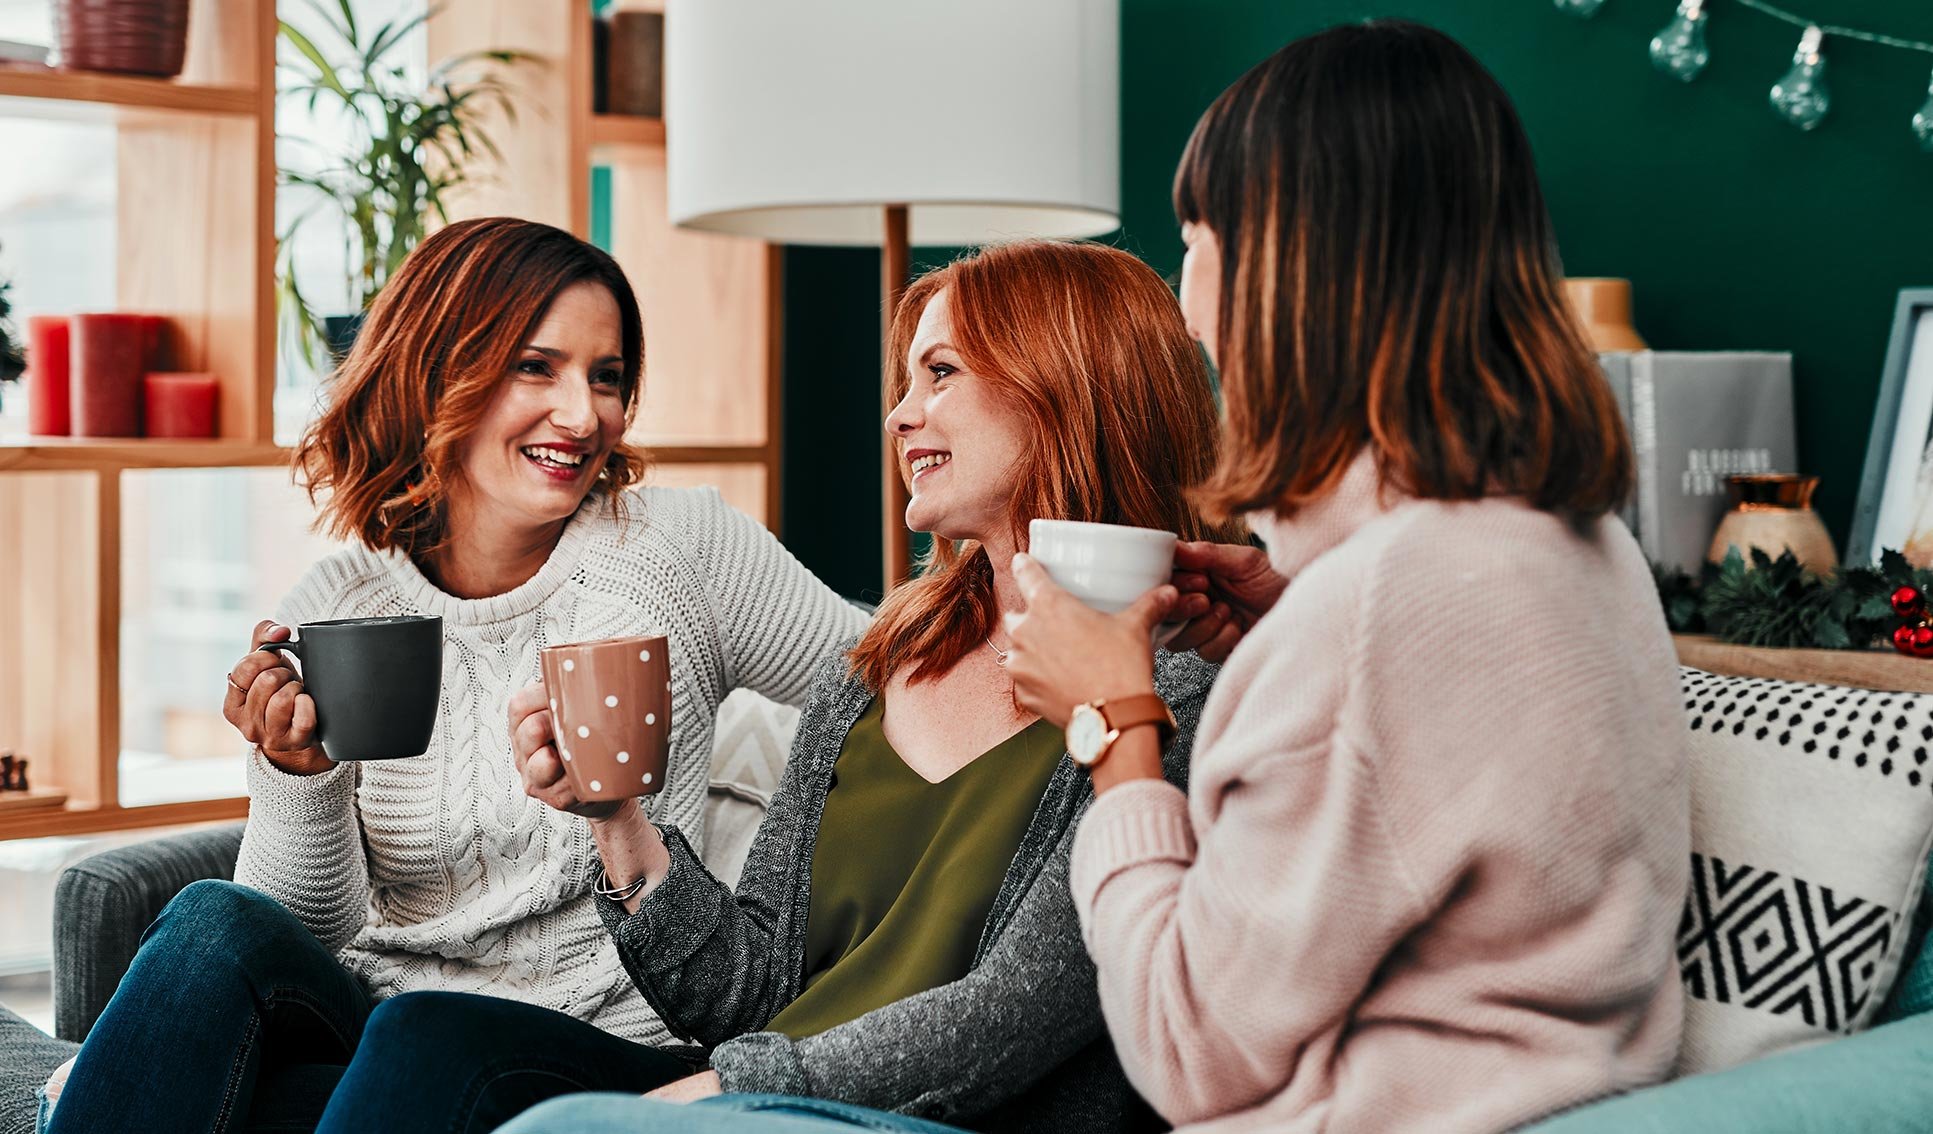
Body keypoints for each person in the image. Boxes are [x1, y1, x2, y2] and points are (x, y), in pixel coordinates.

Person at [504, 18, 1691, 1134]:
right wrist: (1282, 633)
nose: (1188, 304)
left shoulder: (1375, 605)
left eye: (1195, 246)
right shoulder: (1573, 553)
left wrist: (1116, 722)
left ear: (1290, 271)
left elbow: (1182, 1049)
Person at [312, 238, 1242, 1134]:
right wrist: (615, 819)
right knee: (427, 1036)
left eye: (942, 373)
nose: (900, 415)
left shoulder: (1180, 687)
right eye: (906, 382)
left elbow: (1010, 1018)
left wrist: (725, 1089)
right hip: (767, 1094)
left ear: (1067, 386)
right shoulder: (886, 663)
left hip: (920, 1117)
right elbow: (751, 988)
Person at [39, 216, 867, 1134]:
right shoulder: (341, 598)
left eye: (607, 377)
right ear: (439, 370)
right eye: (535, 367)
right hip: (384, 1035)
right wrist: (296, 780)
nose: (583, 413)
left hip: (609, 1045)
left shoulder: (678, 550)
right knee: (210, 922)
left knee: (403, 1042)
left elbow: (888, 681)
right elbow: (297, 929)